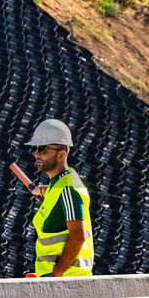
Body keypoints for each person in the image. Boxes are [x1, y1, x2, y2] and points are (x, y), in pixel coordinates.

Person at [24, 118, 94, 276]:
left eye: (43, 150)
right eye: (35, 149)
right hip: (56, 279)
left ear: (61, 154)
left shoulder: (67, 190)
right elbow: (56, 191)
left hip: (66, 280)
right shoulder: (60, 184)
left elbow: (78, 236)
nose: (36, 154)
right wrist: (42, 191)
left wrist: (56, 274)